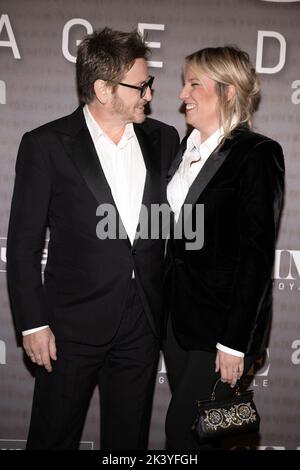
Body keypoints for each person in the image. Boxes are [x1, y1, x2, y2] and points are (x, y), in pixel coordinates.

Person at [6, 27, 179, 450]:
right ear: (103, 89)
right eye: (141, 85)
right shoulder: (46, 145)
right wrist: (33, 323)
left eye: (149, 84)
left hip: (142, 325)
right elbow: (24, 244)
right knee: (53, 437)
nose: (149, 94)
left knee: (127, 444)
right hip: (69, 329)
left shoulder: (164, 138)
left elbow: (171, 231)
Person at [163, 46, 285, 450]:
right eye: (185, 83)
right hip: (178, 323)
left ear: (228, 92)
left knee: (185, 432)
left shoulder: (257, 154)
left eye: (194, 83)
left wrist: (235, 343)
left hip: (222, 329)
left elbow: (256, 255)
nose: (183, 93)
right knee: (205, 435)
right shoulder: (183, 150)